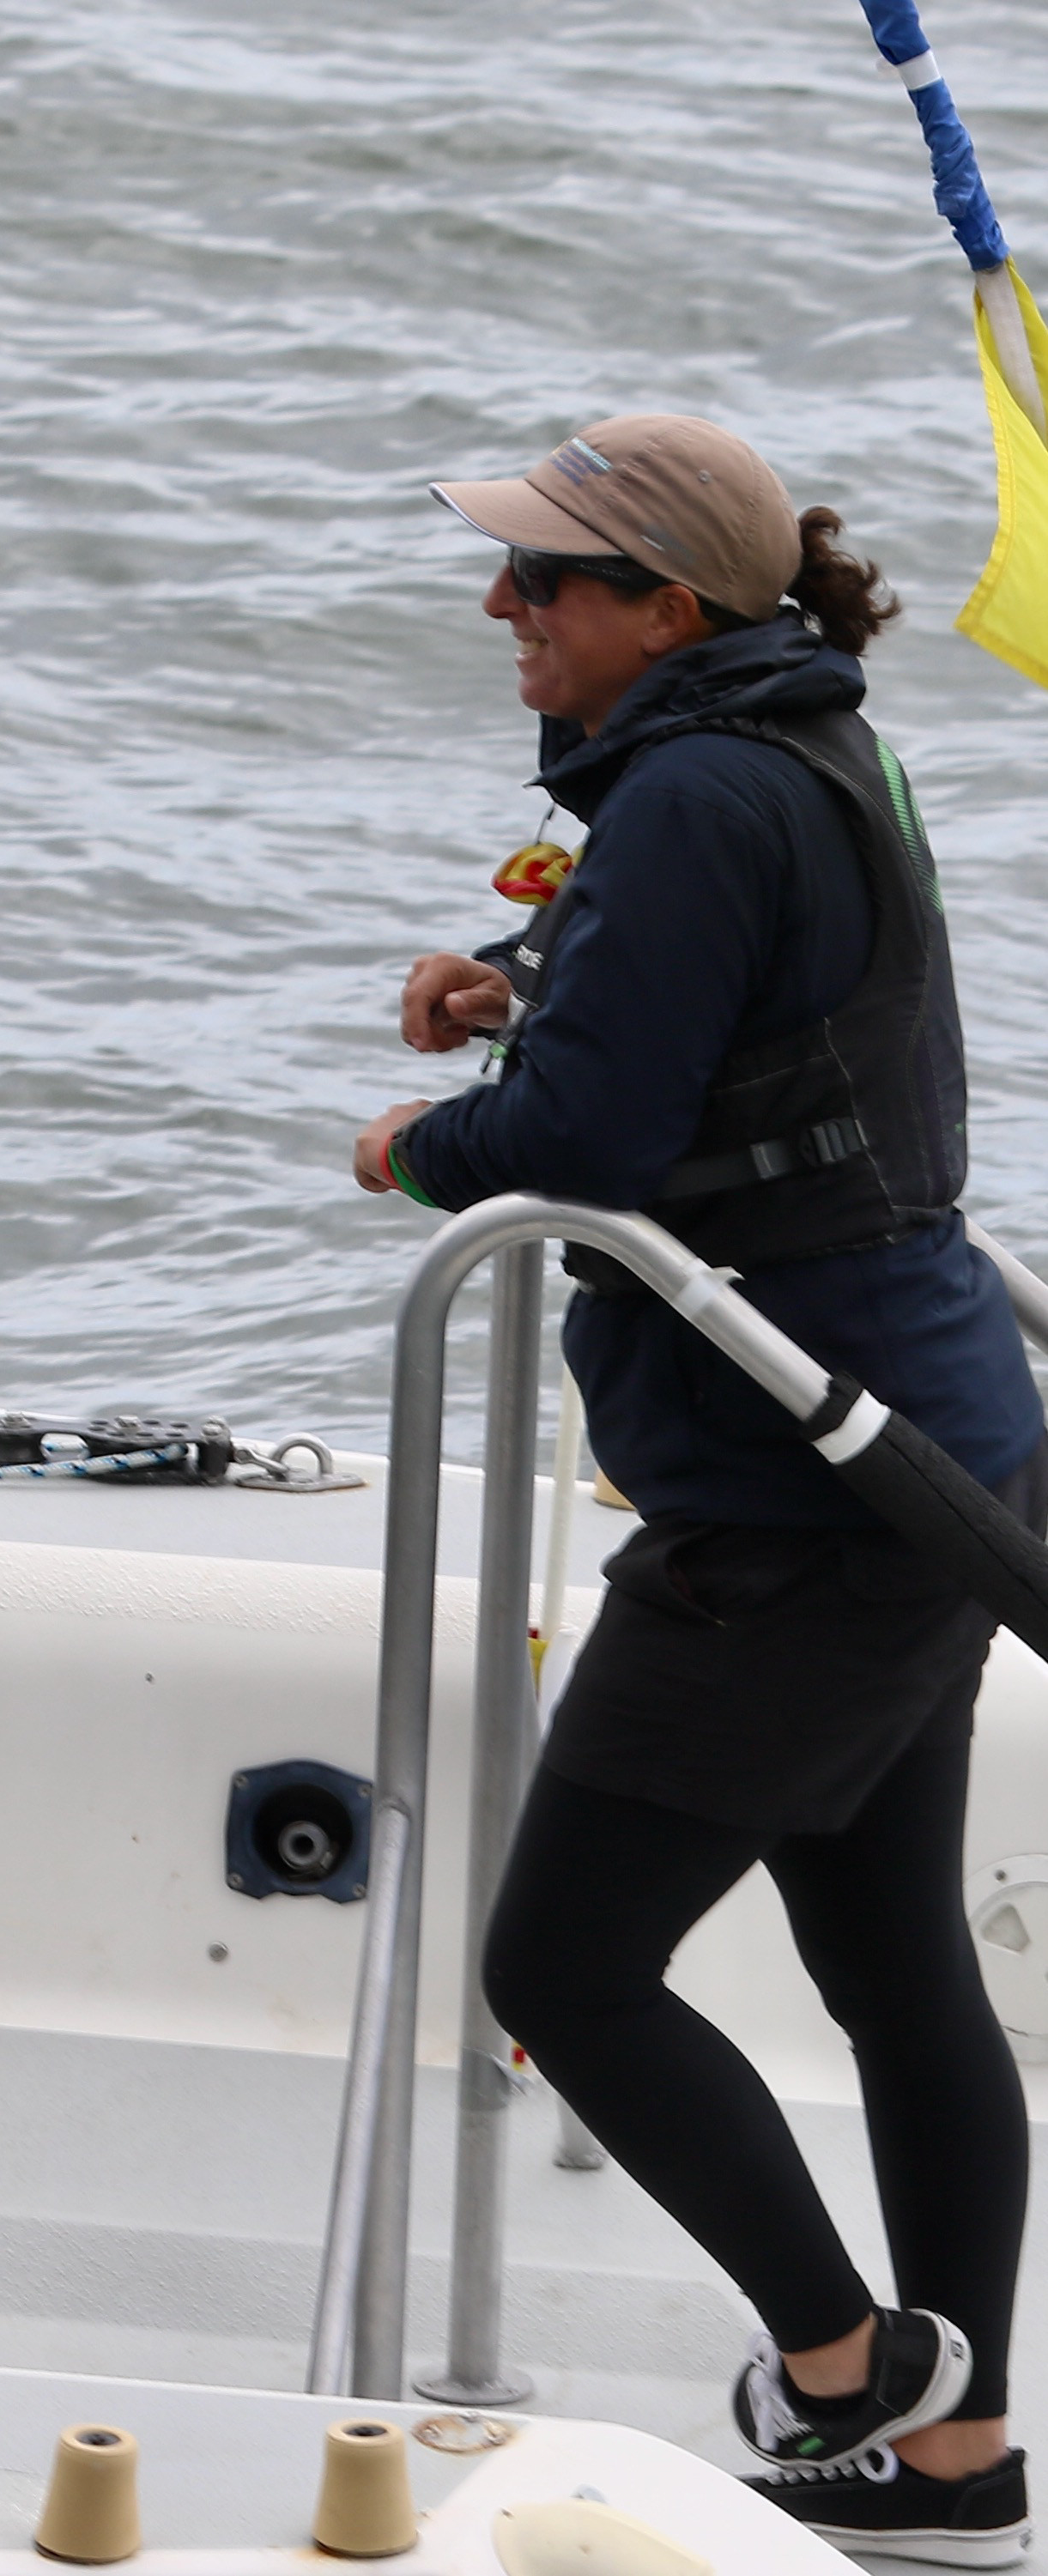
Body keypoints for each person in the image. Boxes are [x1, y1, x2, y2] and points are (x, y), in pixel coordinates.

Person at [362, 414, 1038, 2566]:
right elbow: (758, 1042)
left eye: (541, 582)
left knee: (560, 1972)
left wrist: (419, 1142)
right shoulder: (814, 745)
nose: (502, 611)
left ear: (665, 610)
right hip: (921, 1455)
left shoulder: (690, 791)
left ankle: (851, 2367)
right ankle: (956, 2475)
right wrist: (526, 997)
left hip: (787, 1495)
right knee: (899, 1968)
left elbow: (585, 1146)